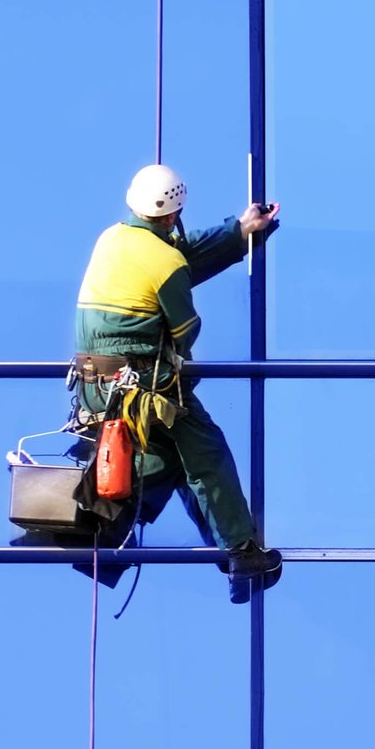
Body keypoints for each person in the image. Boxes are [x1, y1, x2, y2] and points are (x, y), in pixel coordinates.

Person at [74, 164, 283, 602]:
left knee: (175, 464)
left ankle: (107, 531)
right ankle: (242, 554)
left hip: (97, 387)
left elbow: (175, 257)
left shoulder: (111, 239)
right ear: (173, 215)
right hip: (144, 389)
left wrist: (239, 230)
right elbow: (185, 328)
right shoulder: (166, 260)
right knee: (206, 453)